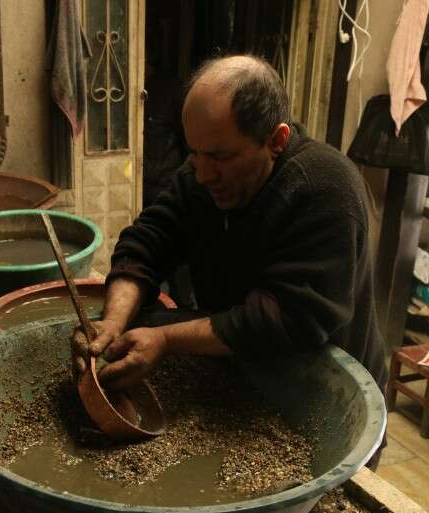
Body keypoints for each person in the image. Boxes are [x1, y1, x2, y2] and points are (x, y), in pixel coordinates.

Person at [72, 54, 386, 428]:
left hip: (326, 398)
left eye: (221, 157)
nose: (203, 174)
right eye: (195, 153)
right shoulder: (201, 174)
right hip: (242, 373)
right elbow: (148, 241)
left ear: (276, 141)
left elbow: (285, 319)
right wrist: (113, 322)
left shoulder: (326, 188)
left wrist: (166, 339)